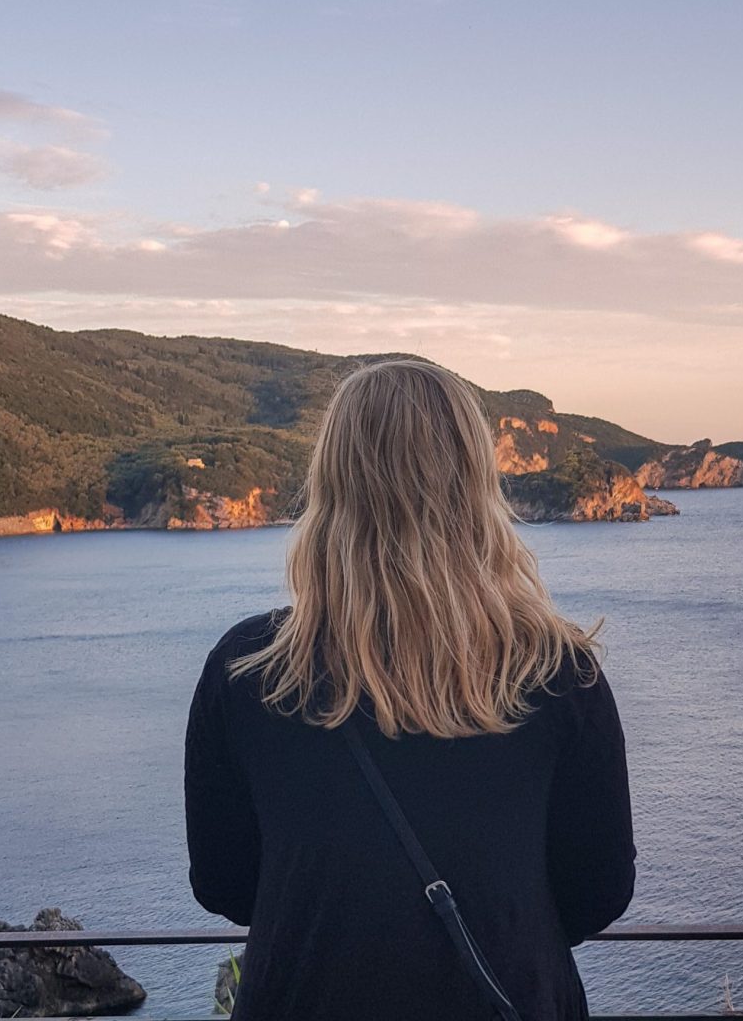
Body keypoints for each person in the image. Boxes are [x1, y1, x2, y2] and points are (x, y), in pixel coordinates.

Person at [184, 359, 636, 1021]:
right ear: (477, 484)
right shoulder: (558, 673)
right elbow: (599, 892)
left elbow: (223, 883)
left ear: (331, 486)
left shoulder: (247, 670)